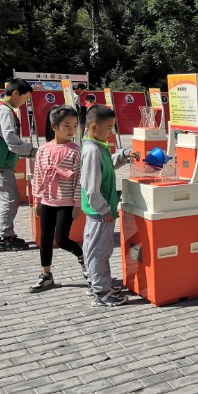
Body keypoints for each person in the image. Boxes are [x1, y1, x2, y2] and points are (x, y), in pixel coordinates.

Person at [81, 105, 137, 307]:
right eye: (109, 128)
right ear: (94, 127)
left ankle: (98, 284)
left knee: (95, 249)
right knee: (100, 251)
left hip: (99, 212)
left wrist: (123, 155)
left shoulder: (97, 147)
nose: (111, 132)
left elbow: (108, 165)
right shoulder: (92, 151)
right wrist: (104, 209)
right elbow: (91, 186)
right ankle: (101, 292)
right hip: (100, 213)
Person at [29, 106, 85, 293]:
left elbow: (79, 179)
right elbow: (37, 175)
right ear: (54, 126)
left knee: (61, 239)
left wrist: (77, 204)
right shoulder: (43, 150)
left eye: (74, 126)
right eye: (67, 125)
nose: (71, 130)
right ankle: (46, 274)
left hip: (66, 202)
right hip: (47, 200)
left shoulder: (75, 151)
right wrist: (37, 200)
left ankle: (82, 257)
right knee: (45, 238)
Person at [0, 78, 37, 251]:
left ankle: (0, 233)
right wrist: (33, 151)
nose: (24, 103)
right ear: (15, 93)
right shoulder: (5, 111)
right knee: (10, 200)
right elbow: (10, 139)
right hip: (0, 163)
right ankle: (5, 237)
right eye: (24, 98)